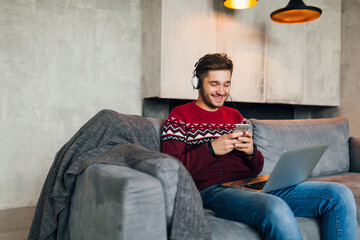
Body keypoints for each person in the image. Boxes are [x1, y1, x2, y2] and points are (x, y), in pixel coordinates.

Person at [161, 53, 357, 239]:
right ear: (197, 83)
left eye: (226, 84)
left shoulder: (235, 116)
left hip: (253, 183)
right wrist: (211, 149)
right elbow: (171, 169)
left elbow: (256, 167)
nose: (222, 91)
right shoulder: (179, 117)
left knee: (338, 194)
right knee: (275, 208)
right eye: (214, 84)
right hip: (213, 191)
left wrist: (251, 152)